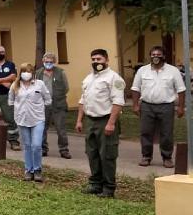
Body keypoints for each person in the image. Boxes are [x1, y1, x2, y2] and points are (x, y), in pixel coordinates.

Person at [76, 49, 126, 198]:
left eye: (99, 59)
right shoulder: (88, 78)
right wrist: (79, 120)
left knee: (107, 155)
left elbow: (118, 102)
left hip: (106, 120)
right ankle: (95, 184)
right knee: (92, 154)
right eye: (93, 59)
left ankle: (109, 188)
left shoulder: (114, 78)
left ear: (107, 60)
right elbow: (83, 100)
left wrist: (111, 123)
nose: (96, 62)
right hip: (91, 120)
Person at [131, 45, 185, 168]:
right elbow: (135, 88)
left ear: (164, 56)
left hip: (166, 106)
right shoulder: (142, 70)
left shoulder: (173, 71)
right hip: (146, 106)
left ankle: (167, 158)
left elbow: (181, 89)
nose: (155, 57)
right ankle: (146, 156)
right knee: (146, 132)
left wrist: (181, 107)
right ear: (150, 56)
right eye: (153, 55)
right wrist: (135, 105)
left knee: (166, 133)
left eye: (158, 55)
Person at [8, 63, 52, 182]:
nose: (26, 74)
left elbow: (48, 99)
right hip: (22, 119)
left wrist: (39, 107)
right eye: (24, 71)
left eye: (29, 71)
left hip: (37, 119)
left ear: (33, 73)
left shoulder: (39, 84)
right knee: (27, 145)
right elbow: (10, 101)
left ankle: (37, 170)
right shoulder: (15, 85)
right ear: (20, 73)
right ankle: (29, 170)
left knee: (36, 145)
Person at [35, 52, 72, 159]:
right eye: (46, 62)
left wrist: (57, 96)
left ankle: (64, 150)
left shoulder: (61, 72)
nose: (49, 64)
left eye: (51, 62)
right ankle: (43, 149)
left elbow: (66, 88)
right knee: (42, 128)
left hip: (58, 105)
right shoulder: (38, 73)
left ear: (54, 62)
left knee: (61, 129)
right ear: (43, 62)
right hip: (42, 106)